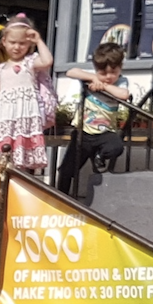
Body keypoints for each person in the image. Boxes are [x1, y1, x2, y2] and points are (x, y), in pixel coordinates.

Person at [57, 40, 131, 196]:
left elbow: (124, 95)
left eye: (113, 72)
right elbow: (71, 71)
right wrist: (92, 77)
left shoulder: (121, 82)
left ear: (120, 68)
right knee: (67, 170)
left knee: (116, 147)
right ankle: (60, 197)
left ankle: (100, 156)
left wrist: (103, 86)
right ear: (96, 69)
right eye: (103, 73)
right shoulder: (92, 76)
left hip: (105, 133)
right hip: (82, 133)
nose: (108, 77)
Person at [0, 15, 52, 172]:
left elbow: (47, 61)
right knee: (3, 157)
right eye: (13, 42)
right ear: (4, 42)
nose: (17, 47)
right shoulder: (0, 68)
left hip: (22, 116)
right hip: (4, 116)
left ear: (29, 44)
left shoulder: (30, 62)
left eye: (22, 43)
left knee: (22, 156)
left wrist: (39, 40)